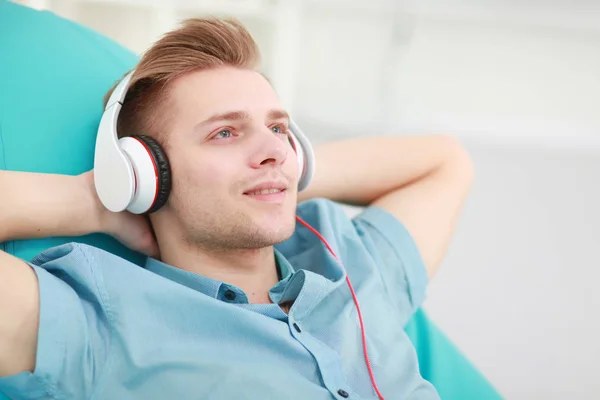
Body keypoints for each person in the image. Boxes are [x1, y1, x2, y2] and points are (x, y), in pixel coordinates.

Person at [0, 17, 473, 400]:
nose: (272, 148)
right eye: (224, 132)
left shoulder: (350, 264)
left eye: (279, 127)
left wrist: (290, 169)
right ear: (147, 175)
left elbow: (445, 161)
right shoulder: (97, 321)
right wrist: (96, 201)